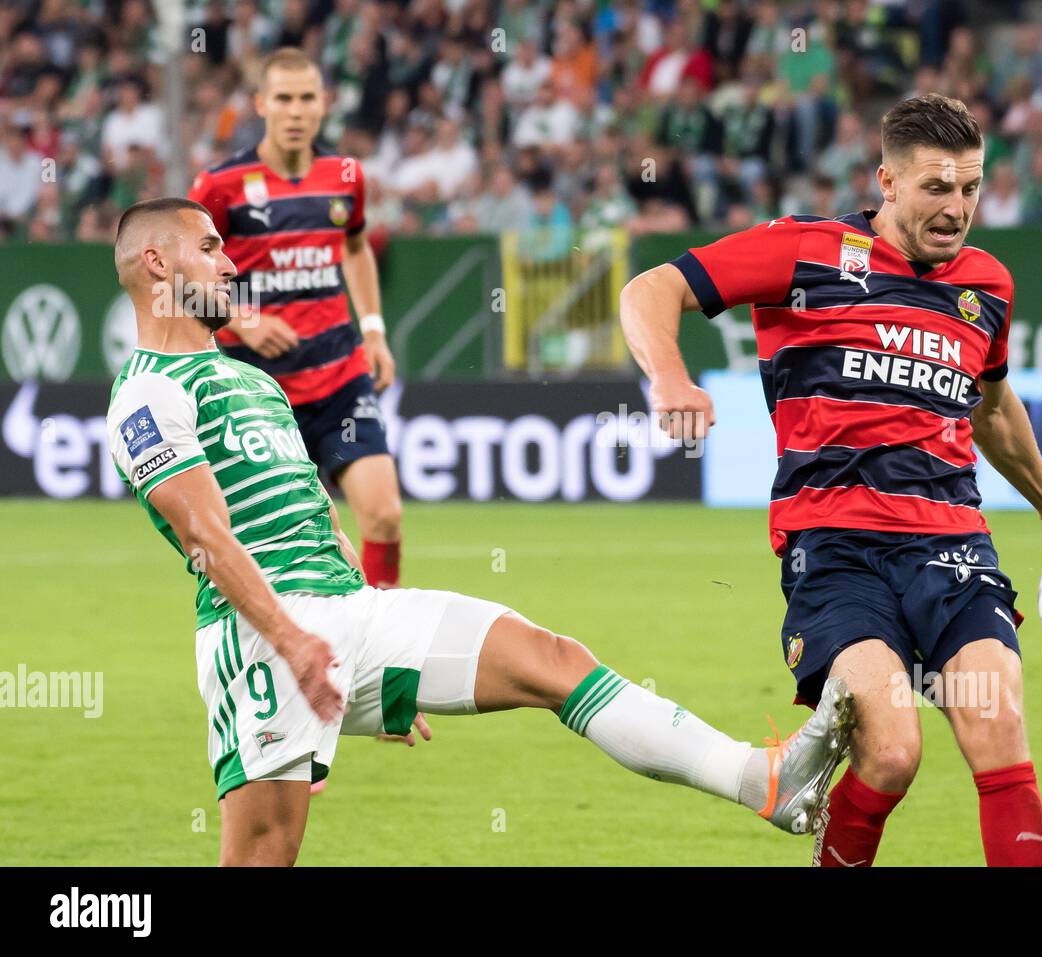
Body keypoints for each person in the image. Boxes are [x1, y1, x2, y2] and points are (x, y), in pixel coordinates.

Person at [104, 197, 855, 866]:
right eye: (208, 247)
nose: (228, 261)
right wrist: (297, 641)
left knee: (552, 659)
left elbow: (315, 511)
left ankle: (760, 780)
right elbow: (206, 535)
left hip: (349, 613)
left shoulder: (255, 380)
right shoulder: (146, 391)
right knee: (266, 853)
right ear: (155, 260)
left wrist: (370, 657)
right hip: (260, 640)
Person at [619, 94, 1042, 867]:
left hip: (954, 550)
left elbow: (991, 406)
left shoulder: (988, 287)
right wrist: (671, 379)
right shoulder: (807, 251)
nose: (957, 209)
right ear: (887, 180)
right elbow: (651, 289)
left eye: (972, 188)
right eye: (936, 188)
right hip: (836, 548)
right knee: (891, 754)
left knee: (1000, 730)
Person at [188, 48, 403, 596]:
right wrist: (242, 319)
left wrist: (374, 329)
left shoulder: (345, 176)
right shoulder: (219, 185)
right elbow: (185, 274)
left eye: (307, 98)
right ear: (261, 103)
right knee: (299, 539)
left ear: (324, 104)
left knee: (383, 517)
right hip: (257, 390)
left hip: (338, 373)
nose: (295, 110)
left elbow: (355, 247)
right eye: (283, 98)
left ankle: (381, 637)